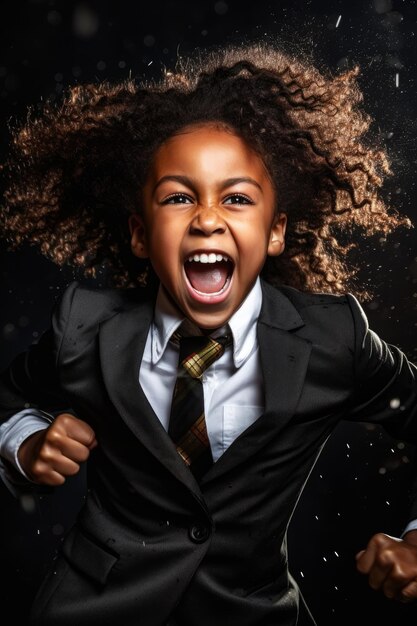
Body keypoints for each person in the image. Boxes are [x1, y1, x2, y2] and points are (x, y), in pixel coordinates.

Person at [0, 41, 417, 626]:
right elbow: (10, 398)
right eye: (178, 196)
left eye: (237, 198)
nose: (207, 217)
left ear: (275, 232)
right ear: (141, 235)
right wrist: (24, 443)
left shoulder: (332, 339)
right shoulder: (85, 327)